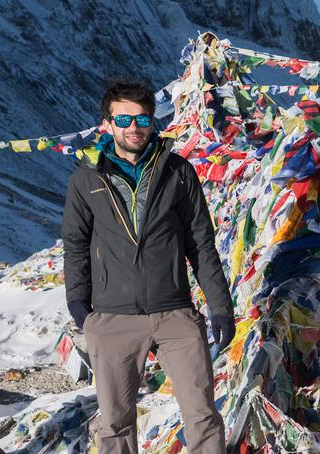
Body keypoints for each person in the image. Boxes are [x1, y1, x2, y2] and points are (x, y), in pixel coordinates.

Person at [62, 79, 235, 454]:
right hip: (112, 318)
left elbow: (201, 245)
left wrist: (220, 307)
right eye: (123, 120)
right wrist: (79, 307)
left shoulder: (178, 172)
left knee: (203, 415)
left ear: (153, 122)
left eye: (142, 119)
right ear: (106, 124)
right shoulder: (86, 179)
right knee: (115, 423)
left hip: (175, 313)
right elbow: (75, 246)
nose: (134, 128)